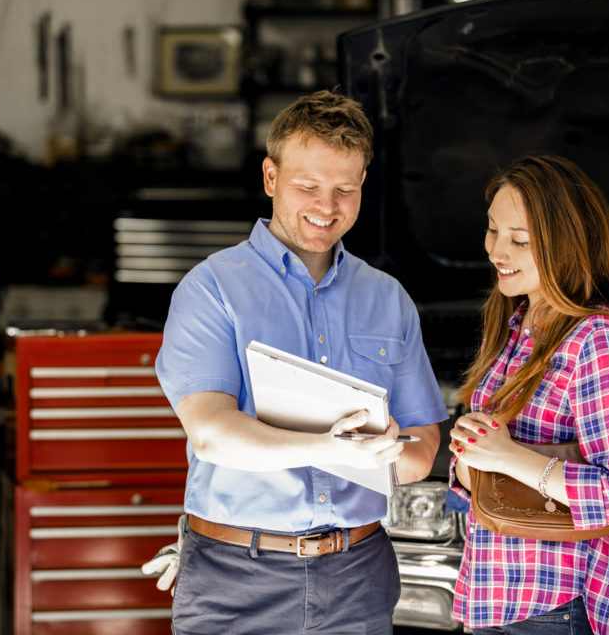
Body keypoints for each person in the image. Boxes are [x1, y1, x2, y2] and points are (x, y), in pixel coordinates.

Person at [154, 89, 447, 634]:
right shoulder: (212, 289)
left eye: (345, 189)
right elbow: (212, 433)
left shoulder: (388, 298)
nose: (326, 207)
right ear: (270, 179)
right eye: (307, 186)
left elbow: (423, 444)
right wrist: (328, 448)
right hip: (235, 574)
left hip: (358, 573)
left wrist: (397, 452)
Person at [447, 154, 609, 635]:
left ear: (567, 245)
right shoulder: (512, 328)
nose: (496, 251)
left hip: (555, 608)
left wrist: (506, 457)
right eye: (492, 231)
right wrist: (469, 453)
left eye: (519, 241)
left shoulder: (597, 342)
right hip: (491, 596)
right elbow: (481, 474)